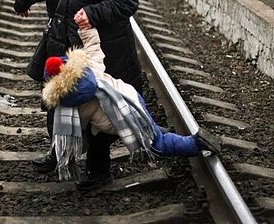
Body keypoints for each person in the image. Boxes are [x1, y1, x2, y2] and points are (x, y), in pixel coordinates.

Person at [14, 0, 142, 190]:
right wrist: (23, 1)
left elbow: (127, 1)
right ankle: (59, 153)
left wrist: (94, 12)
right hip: (63, 48)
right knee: (55, 106)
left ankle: (99, 171)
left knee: (98, 117)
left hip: (98, 55)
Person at [42, 25, 221, 189]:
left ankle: (196, 143)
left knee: (157, 145)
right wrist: (85, 29)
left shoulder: (73, 103)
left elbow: (77, 137)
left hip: (124, 116)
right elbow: (93, 48)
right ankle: (153, 129)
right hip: (128, 96)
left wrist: (62, 154)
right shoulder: (86, 68)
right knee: (102, 134)